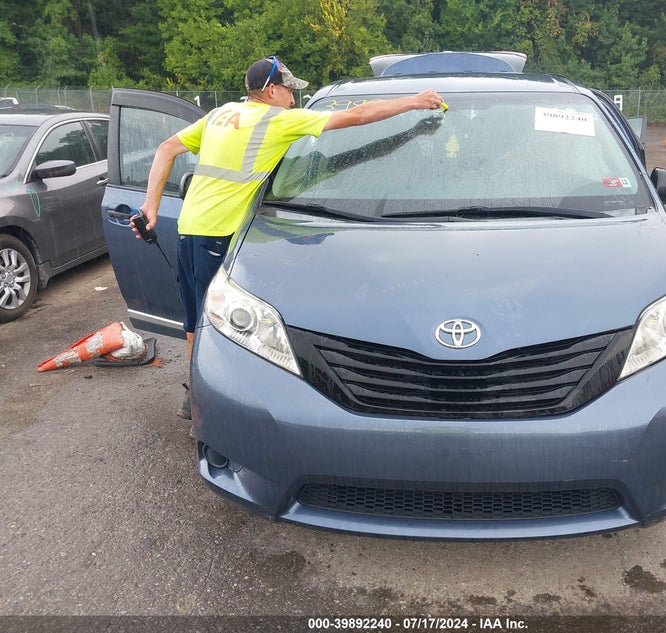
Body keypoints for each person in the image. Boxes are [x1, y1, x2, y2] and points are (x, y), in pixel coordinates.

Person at [134, 55, 445, 420]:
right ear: (270, 90)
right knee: (217, 325)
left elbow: (166, 148)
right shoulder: (276, 120)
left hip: (189, 227)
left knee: (195, 318)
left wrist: (150, 205)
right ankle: (209, 409)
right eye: (288, 90)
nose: (293, 99)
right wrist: (414, 102)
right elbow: (358, 116)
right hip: (219, 233)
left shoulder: (222, 113)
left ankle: (193, 394)